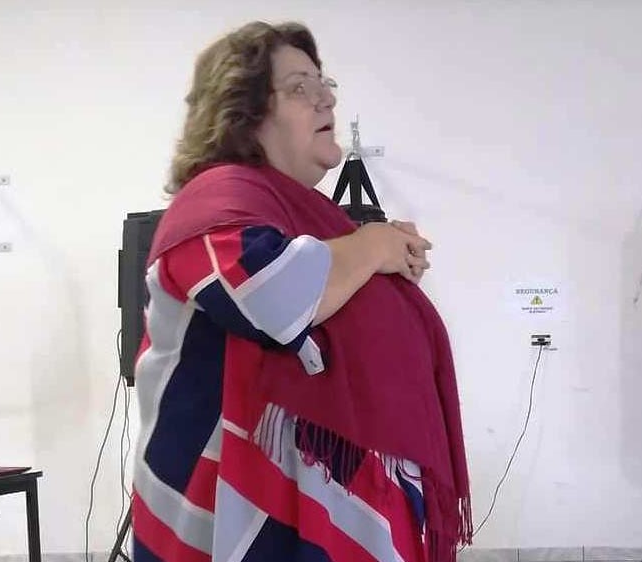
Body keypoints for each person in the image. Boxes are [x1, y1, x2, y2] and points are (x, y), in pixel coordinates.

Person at [131, 21, 472, 562]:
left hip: (302, 506)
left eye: (324, 84)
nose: (325, 99)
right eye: (299, 88)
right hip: (225, 516)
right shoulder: (212, 202)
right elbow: (275, 297)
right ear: (243, 112)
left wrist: (380, 260)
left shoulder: (311, 224)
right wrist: (373, 247)